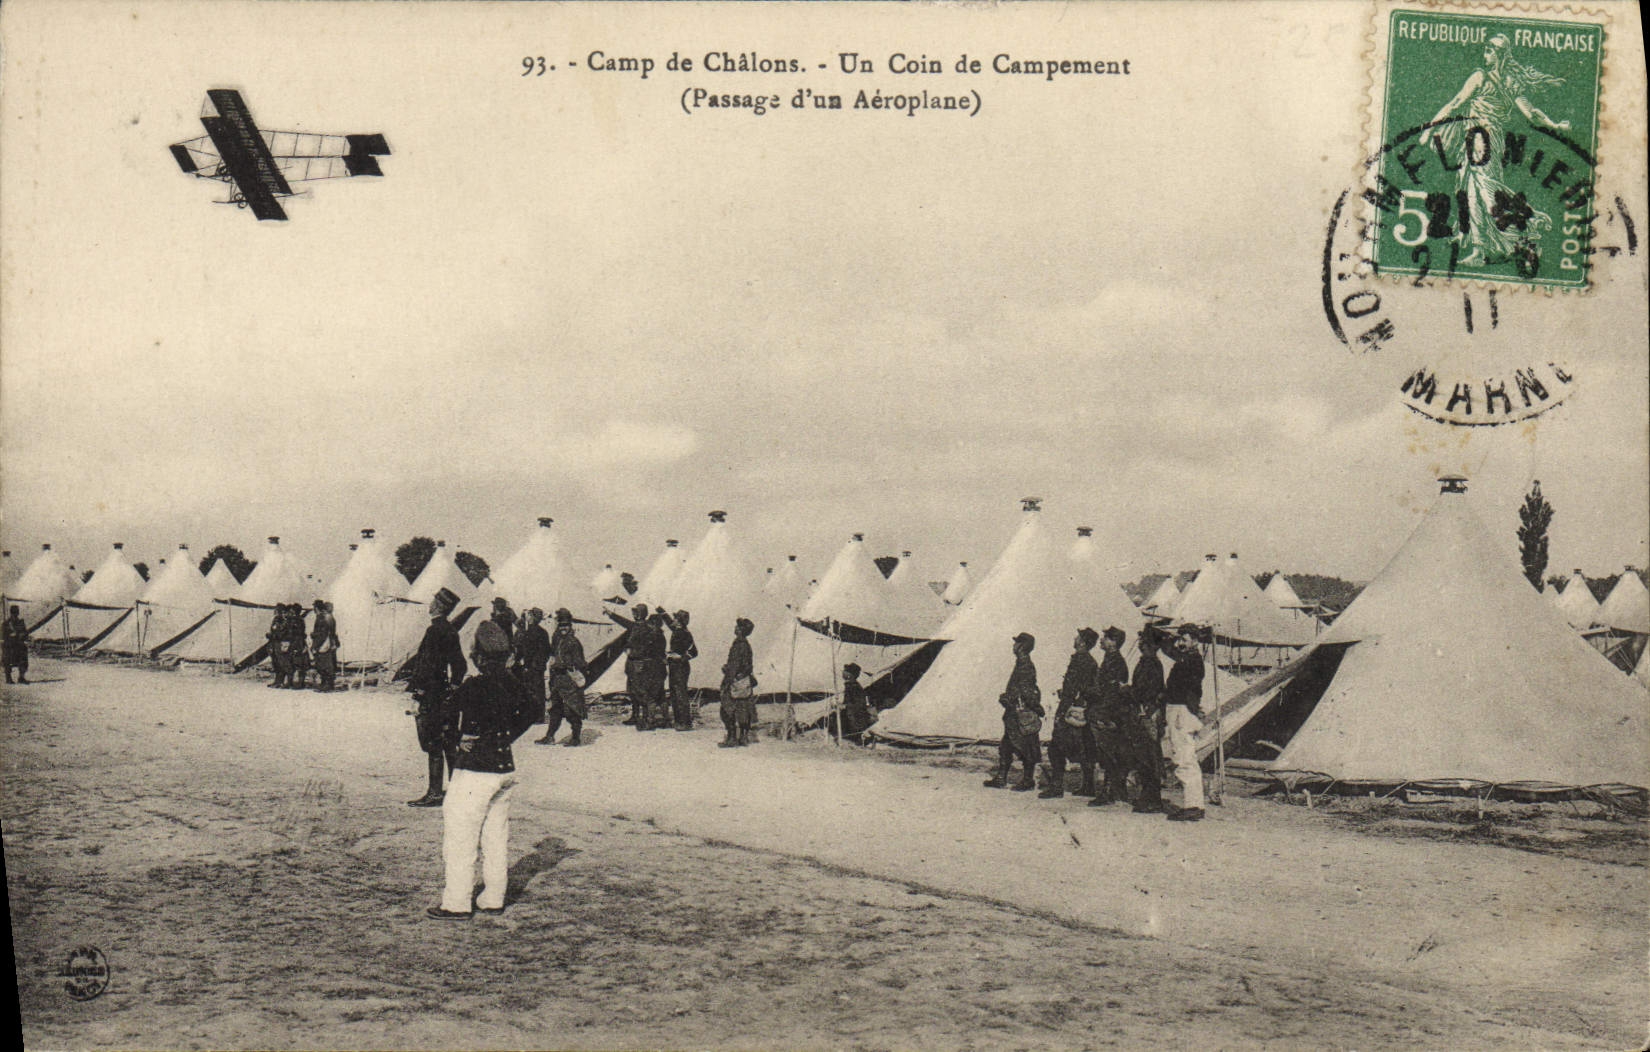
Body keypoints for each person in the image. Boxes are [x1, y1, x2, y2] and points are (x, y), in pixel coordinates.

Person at [1419, 33, 1571, 267]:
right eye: (1485, 50)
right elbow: (1532, 114)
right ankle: (1478, 248)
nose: (1485, 54)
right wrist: (1554, 124)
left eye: (1490, 51)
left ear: (1500, 55)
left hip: (1481, 139)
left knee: (1484, 189)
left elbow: (1456, 102)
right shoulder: (1513, 83)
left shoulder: (1480, 76)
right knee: (1469, 189)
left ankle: (1528, 222)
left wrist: (1429, 129)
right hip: (1485, 139)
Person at [427, 620, 537, 919]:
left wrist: (461, 740)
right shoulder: (514, 683)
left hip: (475, 770)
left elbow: (440, 718)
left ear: (477, 655)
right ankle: (493, 899)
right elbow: (533, 711)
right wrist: (504, 736)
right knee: (495, 838)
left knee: (461, 838)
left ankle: (456, 902)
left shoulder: (473, 685)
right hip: (504, 767)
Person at [406, 588, 468, 807]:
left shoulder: (434, 631)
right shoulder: (451, 630)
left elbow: (426, 665)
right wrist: (453, 686)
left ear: (438, 606)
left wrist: (419, 692)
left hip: (431, 694)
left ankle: (435, 793)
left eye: (433, 601)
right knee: (450, 743)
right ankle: (457, 792)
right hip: (445, 694)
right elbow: (460, 665)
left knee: (433, 744)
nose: (430, 604)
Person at [1040, 628, 1099, 800]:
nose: (1074, 638)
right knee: (1084, 747)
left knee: (1056, 748)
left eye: (1078, 637)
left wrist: (1066, 702)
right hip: (1080, 709)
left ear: (1082, 642)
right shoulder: (1090, 661)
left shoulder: (1080, 660)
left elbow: (1075, 687)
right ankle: (1088, 785)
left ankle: (1056, 786)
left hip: (1070, 709)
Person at [985, 633, 1042, 791]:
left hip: (1020, 712)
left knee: (1026, 747)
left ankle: (1028, 780)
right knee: (1006, 746)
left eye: (1016, 643)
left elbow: (1026, 690)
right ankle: (1001, 777)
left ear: (1022, 646)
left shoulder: (1025, 665)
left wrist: (1009, 698)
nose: (1013, 645)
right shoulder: (1021, 663)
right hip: (1014, 713)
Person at [1161, 628, 1208, 822]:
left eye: (1184, 639)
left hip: (1182, 710)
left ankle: (1193, 806)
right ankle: (1194, 804)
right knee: (1186, 756)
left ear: (1195, 641)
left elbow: (1186, 686)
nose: (1181, 642)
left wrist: (1186, 711)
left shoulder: (1192, 661)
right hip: (1179, 709)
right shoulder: (1188, 658)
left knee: (1184, 757)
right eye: (1180, 638)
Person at [1085, 626, 1133, 805]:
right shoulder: (1109, 659)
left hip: (1108, 714)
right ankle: (1113, 791)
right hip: (1105, 712)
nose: (1101, 640)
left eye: (1105, 638)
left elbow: (1111, 692)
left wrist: (1103, 714)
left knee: (1108, 752)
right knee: (1106, 752)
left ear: (1113, 642)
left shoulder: (1115, 662)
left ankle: (1108, 792)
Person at [1125, 626, 1169, 814]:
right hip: (1146, 713)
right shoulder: (1149, 662)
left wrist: (1127, 691)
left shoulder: (1150, 663)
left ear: (1150, 645)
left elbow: (1145, 691)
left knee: (1148, 756)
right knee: (1145, 755)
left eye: (1144, 641)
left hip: (1147, 714)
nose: (1140, 643)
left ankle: (1152, 798)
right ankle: (1149, 796)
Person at [539, 608, 588, 746]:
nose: (563, 628)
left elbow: (581, 662)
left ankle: (576, 738)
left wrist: (565, 665)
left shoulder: (573, 642)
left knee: (572, 710)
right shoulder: (557, 639)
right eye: (561, 626)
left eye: (566, 626)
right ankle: (549, 736)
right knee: (555, 710)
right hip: (557, 681)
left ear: (570, 626)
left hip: (569, 680)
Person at [719, 617, 757, 747]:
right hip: (744, 682)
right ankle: (743, 738)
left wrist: (727, 674)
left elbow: (734, 665)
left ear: (740, 630)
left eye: (738, 626)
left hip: (734, 682)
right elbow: (748, 666)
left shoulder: (738, 645)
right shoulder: (746, 645)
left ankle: (731, 738)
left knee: (726, 710)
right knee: (743, 710)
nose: (735, 628)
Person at [513, 608, 552, 727]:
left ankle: (538, 716)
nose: (527, 617)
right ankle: (535, 715)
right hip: (534, 667)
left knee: (535, 690)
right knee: (535, 690)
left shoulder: (534, 632)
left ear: (533, 617)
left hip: (533, 667)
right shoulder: (538, 632)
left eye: (529, 615)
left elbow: (541, 651)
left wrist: (531, 665)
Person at [666, 609, 698, 731]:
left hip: (680, 667)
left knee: (680, 694)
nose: (672, 620)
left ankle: (685, 722)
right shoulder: (677, 631)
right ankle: (679, 721)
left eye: (674, 618)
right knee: (675, 693)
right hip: (674, 666)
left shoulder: (684, 633)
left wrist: (681, 657)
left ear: (679, 621)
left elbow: (694, 652)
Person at [622, 604, 651, 726]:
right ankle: (635, 716)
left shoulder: (644, 628)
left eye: (635, 612)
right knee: (633, 691)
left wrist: (632, 652)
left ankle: (645, 718)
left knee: (640, 691)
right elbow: (624, 622)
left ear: (640, 614)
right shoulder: (637, 626)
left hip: (638, 663)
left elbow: (645, 648)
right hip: (632, 663)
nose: (633, 614)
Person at [642, 609, 670, 728]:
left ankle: (650, 721)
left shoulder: (652, 636)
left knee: (651, 695)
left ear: (653, 624)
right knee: (661, 695)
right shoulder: (661, 635)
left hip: (652, 668)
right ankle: (666, 719)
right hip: (660, 668)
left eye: (649, 624)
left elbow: (647, 651)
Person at [835, 662, 875, 743]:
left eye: (845, 671)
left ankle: (857, 737)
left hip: (857, 715)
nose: (843, 672)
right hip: (851, 712)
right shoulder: (849, 685)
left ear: (850, 675)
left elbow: (859, 703)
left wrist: (845, 706)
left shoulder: (854, 686)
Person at [310, 599, 340, 692]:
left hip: (324, 643)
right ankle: (325, 683)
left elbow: (322, 633)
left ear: (316, 608)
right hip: (328, 643)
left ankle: (328, 684)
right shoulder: (328, 617)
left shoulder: (323, 618)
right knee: (323, 664)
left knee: (325, 664)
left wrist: (315, 642)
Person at [267, 605, 294, 689]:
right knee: (276, 663)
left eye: (278, 611)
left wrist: (272, 635)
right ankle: (278, 681)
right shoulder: (275, 620)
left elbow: (283, 633)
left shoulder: (286, 621)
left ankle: (289, 682)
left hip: (281, 643)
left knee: (284, 663)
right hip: (274, 643)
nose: (276, 613)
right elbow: (273, 630)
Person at [286, 603, 312, 689]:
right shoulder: (298, 620)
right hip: (298, 642)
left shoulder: (296, 620)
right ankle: (294, 682)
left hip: (297, 643)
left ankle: (297, 683)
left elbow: (296, 633)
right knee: (294, 663)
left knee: (297, 663)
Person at [3, 604, 31, 684]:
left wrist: (21, 635)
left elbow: (25, 633)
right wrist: (10, 636)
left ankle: (21, 677)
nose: (15, 615)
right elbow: (3, 636)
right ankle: (8, 678)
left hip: (19, 645)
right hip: (10, 646)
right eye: (14, 613)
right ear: (11, 613)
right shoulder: (6, 624)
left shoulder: (21, 622)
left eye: (16, 613)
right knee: (7, 660)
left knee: (23, 660)